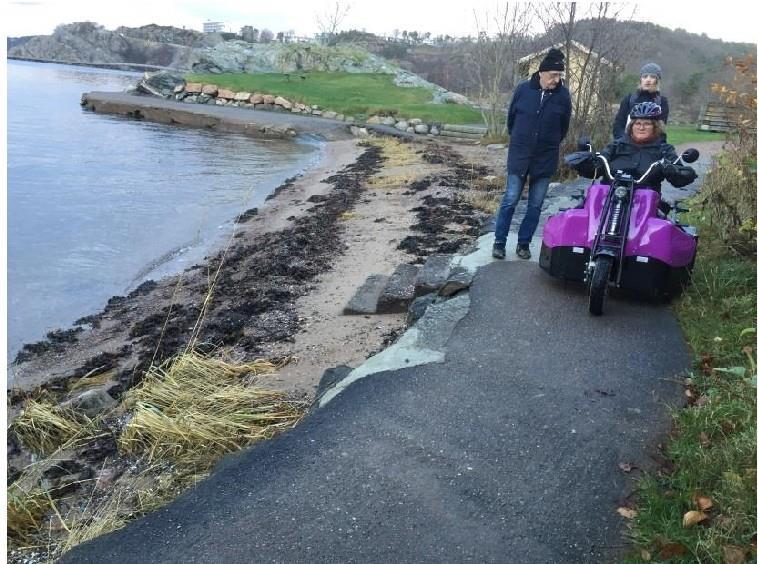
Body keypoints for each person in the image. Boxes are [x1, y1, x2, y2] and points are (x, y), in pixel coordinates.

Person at [492, 48, 572, 260]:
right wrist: (520, 141)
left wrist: (548, 142)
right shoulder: (523, 90)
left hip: (545, 158)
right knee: (510, 200)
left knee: (535, 205)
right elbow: (512, 120)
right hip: (520, 155)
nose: (556, 80)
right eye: (553, 75)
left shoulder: (563, 96)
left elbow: (563, 127)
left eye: (559, 76)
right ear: (542, 73)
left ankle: (523, 244)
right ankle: (499, 242)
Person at [572, 102, 696, 192]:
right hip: (608, 196)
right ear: (631, 126)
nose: (641, 127)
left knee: (663, 227)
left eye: (647, 124)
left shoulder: (664, 149)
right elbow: (597, 167)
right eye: (637, 123)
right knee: (574, 220)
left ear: (656, 127)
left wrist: (673, 170)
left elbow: (681, 176)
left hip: (646, 203)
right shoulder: (617, 145)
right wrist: (586, 162)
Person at [612, 62, 669, 140]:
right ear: (640, 79)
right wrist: (624, 143)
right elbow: (618, 126)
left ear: (657, 80)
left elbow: (660, 130)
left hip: (651, 147)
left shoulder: (662, 102)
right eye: (645, 76)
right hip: (626, 146)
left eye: (652, 77)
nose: (648, 80)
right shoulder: (629, 99)